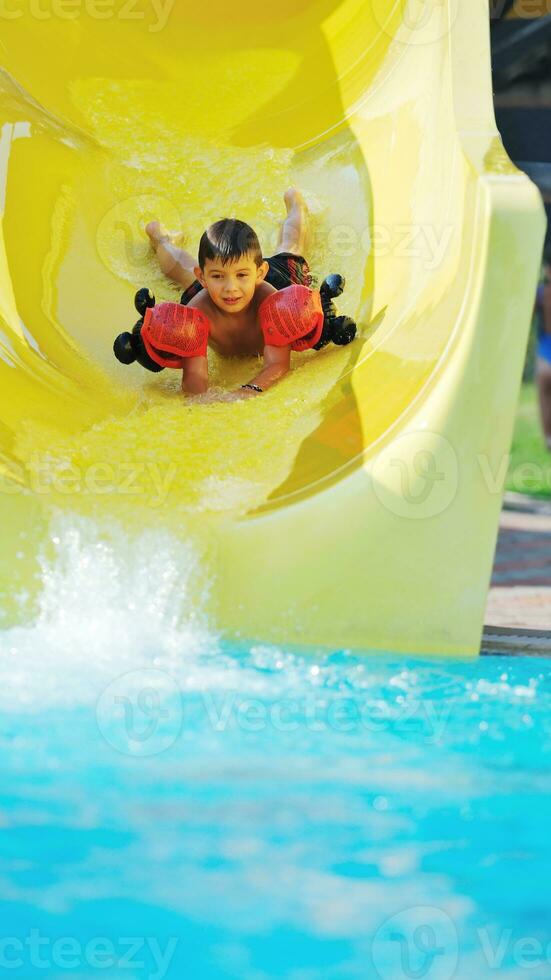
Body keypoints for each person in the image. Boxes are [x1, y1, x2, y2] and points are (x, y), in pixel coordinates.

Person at [145, 188, 314, 398]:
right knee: (183, 272)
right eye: (217, 276)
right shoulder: (197, 311)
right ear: (203, 278)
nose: (230, 288)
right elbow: (194, 381)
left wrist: (245, 392)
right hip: (212, 291)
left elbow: (277, 364)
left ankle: (296, 205)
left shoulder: (273, 303)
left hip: (276, 281)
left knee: (291, 247)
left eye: (241, 276)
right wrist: (201, 400)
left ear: (260, 273)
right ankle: (161, 239)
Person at [536, 259, 551, 451]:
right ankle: (548, 437)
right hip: (545, 347)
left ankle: (548, 437)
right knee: (544, 394)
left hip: (544, 347)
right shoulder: (540, 293)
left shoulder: (540, 292)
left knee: (545, 395)